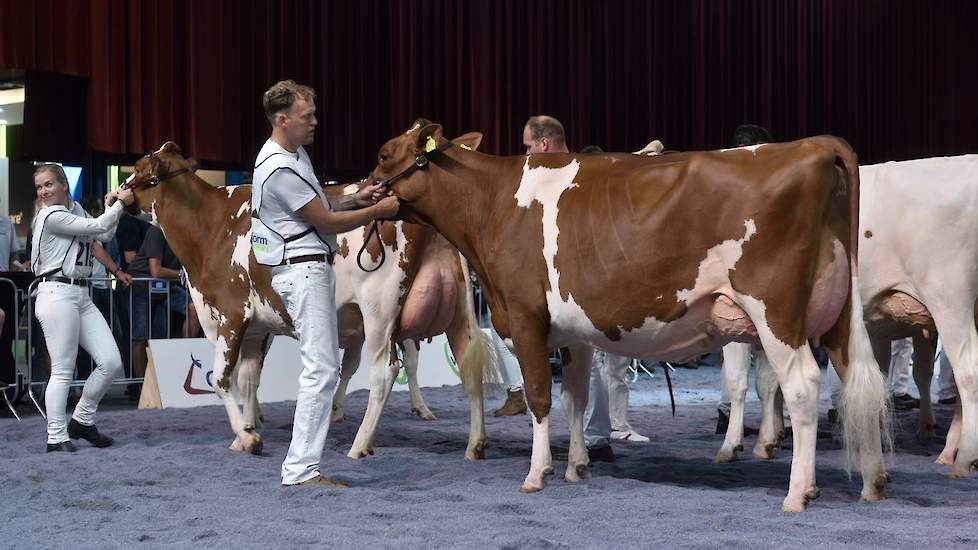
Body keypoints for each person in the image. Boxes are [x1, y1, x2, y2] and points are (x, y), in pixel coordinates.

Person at [252, 80, 398, 487]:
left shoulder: (291, 155)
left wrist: (357, 198)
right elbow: (327, 222)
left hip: (307, 266)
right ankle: (300, 469)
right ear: (282, 120)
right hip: (302, 270)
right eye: (306, 116)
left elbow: (319, 209)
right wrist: (382, 209)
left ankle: (302, 466)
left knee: (321, 369)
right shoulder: (280, 167)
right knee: (320, 370)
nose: (315, 121)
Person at [31, 163, 134, 452]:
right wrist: (119, 204)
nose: (43, 191)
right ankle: (55, 436)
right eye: (39, 187)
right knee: (63, 369)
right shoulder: (50, 215)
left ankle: (81, 421)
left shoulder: (75, 209)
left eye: (49, 184)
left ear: (64, 184)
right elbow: (101, 226)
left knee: (111, 362)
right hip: (55, 292)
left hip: (80, 294)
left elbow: (104, 236)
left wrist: (110, 204)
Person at [491, 115, 573, 417]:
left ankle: (595, 437)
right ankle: (591, 438)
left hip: (571, 287)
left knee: (587, 362)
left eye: (528, 147)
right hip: (553, 284)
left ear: (544, 144)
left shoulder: (562, 179)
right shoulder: (557, 177)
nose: (525, 155)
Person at [126, 224, 190, 399]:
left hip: (164, 287)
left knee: (192, 309)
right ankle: (140, 385)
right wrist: (183, 274)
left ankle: (187, 356)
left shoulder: (187, 234)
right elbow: (155, 270)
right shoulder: (157, 231)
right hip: (140, 285)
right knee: (140, 335)